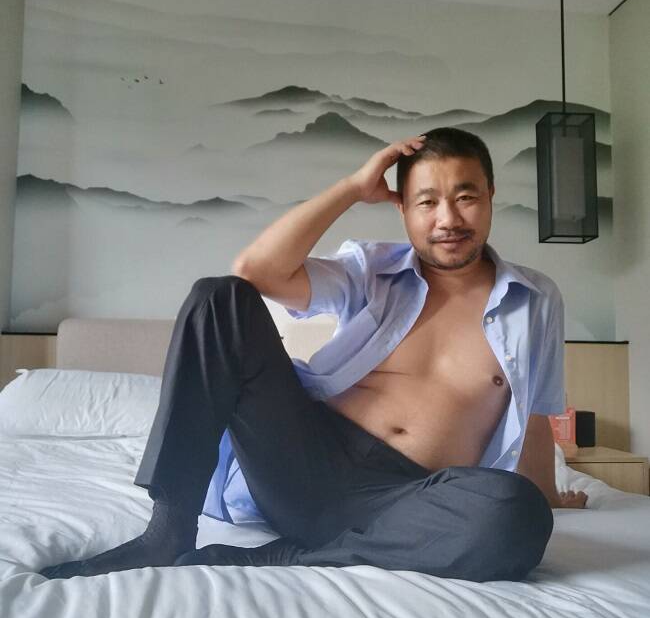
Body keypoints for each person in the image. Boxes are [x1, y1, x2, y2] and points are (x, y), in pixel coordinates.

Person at [40, 127, 587, 583]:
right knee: (219, 298)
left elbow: (534, 413)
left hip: (408, 498)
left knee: (517, 512)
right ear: (403, 209)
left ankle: (296, 556)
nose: (448, 218)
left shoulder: (534, 300)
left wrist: (546, 494)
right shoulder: (371, 269)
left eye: (465, 197)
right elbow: (255, 270)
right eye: (427, 201)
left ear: (490, 196)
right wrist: (351, 188)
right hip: (302, 461)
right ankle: (168, 532)